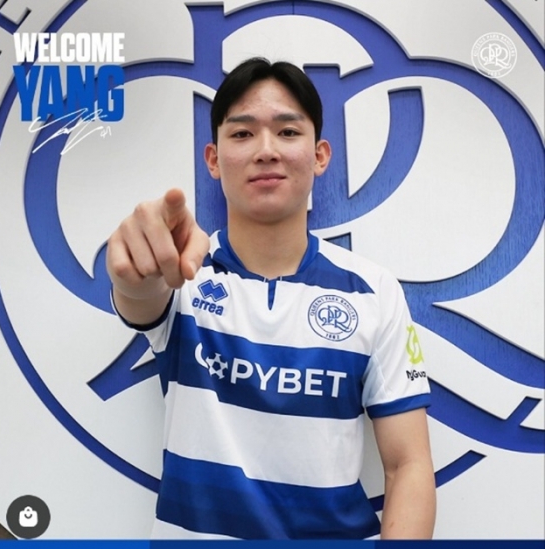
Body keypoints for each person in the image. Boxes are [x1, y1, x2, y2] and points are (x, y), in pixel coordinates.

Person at [106, 57, 436, 540]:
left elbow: (408, 465)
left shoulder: (373, 290)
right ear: (213, 159)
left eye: (287, 132)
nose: (266, 150)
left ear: (319, 155)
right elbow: (139, 293)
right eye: (242, 134)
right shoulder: (184, 274)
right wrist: (136, 268)